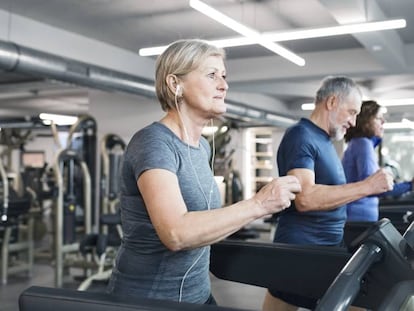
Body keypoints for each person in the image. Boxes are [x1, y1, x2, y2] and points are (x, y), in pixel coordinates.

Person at [106, 39, 301, 305]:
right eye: (212, 75)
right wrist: (259, 204)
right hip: (150, 299)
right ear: (176, 84)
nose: (224, 85)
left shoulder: (201, 148)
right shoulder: (153, 143)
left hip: (197, 294)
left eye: (223, 76)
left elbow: (205, 226)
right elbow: (176, 234)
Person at [262, 76, 394, 311]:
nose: (353, 122)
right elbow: (305, 198)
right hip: (303, 250)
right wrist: (367, 186)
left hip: (326, 246)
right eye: (351, 112)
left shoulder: (324, 141)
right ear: (332, 102)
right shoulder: (301, 135)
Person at [342, 100, 414, 222]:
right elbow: (374, 187)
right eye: (378, 118)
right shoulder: (363, 144)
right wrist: (409, 185)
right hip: (358, 217)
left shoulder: (359, 143)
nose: (383, 122)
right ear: (366, 122)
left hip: (356, 215)